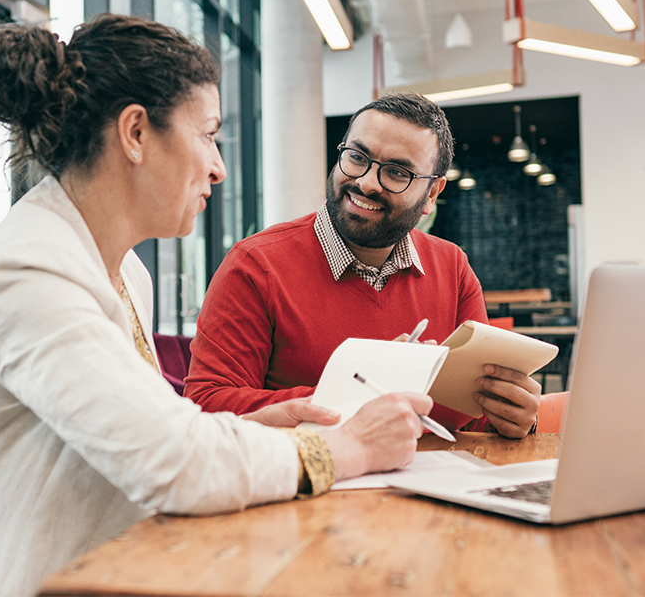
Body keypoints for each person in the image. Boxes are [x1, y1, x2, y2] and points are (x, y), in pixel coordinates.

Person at [0, 16, 434, 597]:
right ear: (135, 133)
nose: (218, 167)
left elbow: (134, 435)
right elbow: (173, 465)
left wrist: (248, 426)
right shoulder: (26, 270)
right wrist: (345, 446)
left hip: (106, 568)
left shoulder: (125, 270)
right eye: (207, 134)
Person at [184, 92, 541, 438]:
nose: (366, 182)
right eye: (357, 157)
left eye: (398, 173)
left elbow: (467, 418)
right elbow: (206, 406)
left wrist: (510, 415)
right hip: (314, 489)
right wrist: (361, 391)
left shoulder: (453, 268)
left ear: (432, 194)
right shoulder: (254, 265)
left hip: (432, 484)